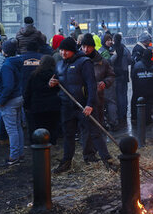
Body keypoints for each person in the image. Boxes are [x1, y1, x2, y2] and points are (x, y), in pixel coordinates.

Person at [50, 37, 117, 173]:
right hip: (67, 106)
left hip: (83, 106)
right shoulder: (60, 64)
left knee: (95, 134)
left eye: (66, 51)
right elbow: (56, 80)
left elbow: (91, 84)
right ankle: (66, 162)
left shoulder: (84, 62)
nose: (63, 53)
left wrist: (90, 104)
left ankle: (108, 161)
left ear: (73, 50)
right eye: (61, 50)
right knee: (68, 134)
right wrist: (51, 83)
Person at [79, 34, 116, 165]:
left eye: (88, 46)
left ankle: (95, 152)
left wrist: (105, 83)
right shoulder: (78, 60)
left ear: (93, 47)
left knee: (97, 126)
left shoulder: (102, 61)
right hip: (83, 100)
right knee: (85, 129)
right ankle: (88, 154)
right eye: (83, 46)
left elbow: (111, 75)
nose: (85, 49)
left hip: (97, 99)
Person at [24, 56, 61, 145]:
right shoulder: (55, 76)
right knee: (51, 129)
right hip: (53, 107)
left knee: (37, 130)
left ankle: (38, 148)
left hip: (37, 107)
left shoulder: (34, 75)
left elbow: (28, 92)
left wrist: (26, 106)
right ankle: (51, 148)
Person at [0, 40, 25, 165]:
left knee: (11, 129)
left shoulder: (7, 65)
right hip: (19, 96)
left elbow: (8, 86)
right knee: (18, 126)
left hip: (10, 99)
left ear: (4, 51)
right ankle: (20, 153)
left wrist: (1, 100)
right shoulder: (19, 61)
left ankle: (14, 156)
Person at [108, 34, 132, 130]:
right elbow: (130, 60)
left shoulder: (112, 49)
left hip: (115, 74)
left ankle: (118, 114)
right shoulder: (125, 48)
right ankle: (124, 113)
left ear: (114, 40)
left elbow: (109, 61)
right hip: (124, 73)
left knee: (116, 95)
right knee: (124, 94)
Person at [131, 48, 153, 124]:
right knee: (150, 103)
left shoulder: (137, 65)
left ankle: (135, 118)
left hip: (139, 89)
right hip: (151, 89)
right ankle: (148, 119)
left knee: (136, 102)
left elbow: (133, 77)